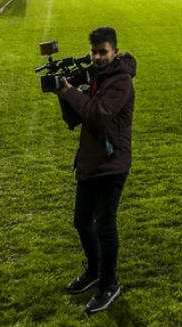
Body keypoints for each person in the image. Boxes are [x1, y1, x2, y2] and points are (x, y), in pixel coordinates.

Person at [55, 26, 136, 315]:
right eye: (94, 52)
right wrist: (61, 92)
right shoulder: (95, 76)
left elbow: (98, 115)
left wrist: (69, 91)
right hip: (91, 160)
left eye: (103, 52)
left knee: (104, 224)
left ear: (114, 51)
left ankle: (109, 283)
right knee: (81, 221)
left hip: (112, 164)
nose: (97, 57)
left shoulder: (121, 81)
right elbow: (75, 118)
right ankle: (93, 270)